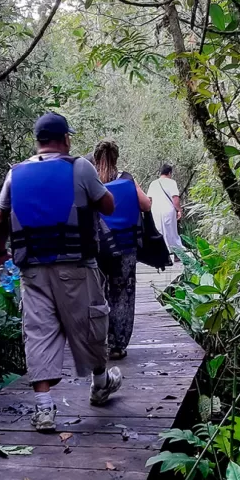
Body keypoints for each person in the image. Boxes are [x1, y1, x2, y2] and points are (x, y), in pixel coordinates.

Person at [0, 113, 123, 432]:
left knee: (38, 332)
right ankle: (100, 383)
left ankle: (45, 408)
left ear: (38, 141)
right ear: (65, 139)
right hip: (76, 265)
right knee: (91, 324)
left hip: (32, 271)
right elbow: (108, 206)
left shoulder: (15, 174)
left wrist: (0, 253)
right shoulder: (79, 167)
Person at [93, 140, 152, 361]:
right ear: (116, 158)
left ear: (95, 158)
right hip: (125, 248)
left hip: (98, 248)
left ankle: (99, 343)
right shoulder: (127, 179)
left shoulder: (90, 181)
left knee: (98, 295)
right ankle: (118, 345)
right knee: (122, 297)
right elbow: (146, 205)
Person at [147, 163, 183, 258]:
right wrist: (179, 210)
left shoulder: (153, 183)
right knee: (172, 233)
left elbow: (149, 200)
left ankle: (162, 255)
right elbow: (175, 198)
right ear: (170, 173)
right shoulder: (171, 182)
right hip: (168, 211)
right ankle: (177, 254)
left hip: (156, 211)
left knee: (159, 232)